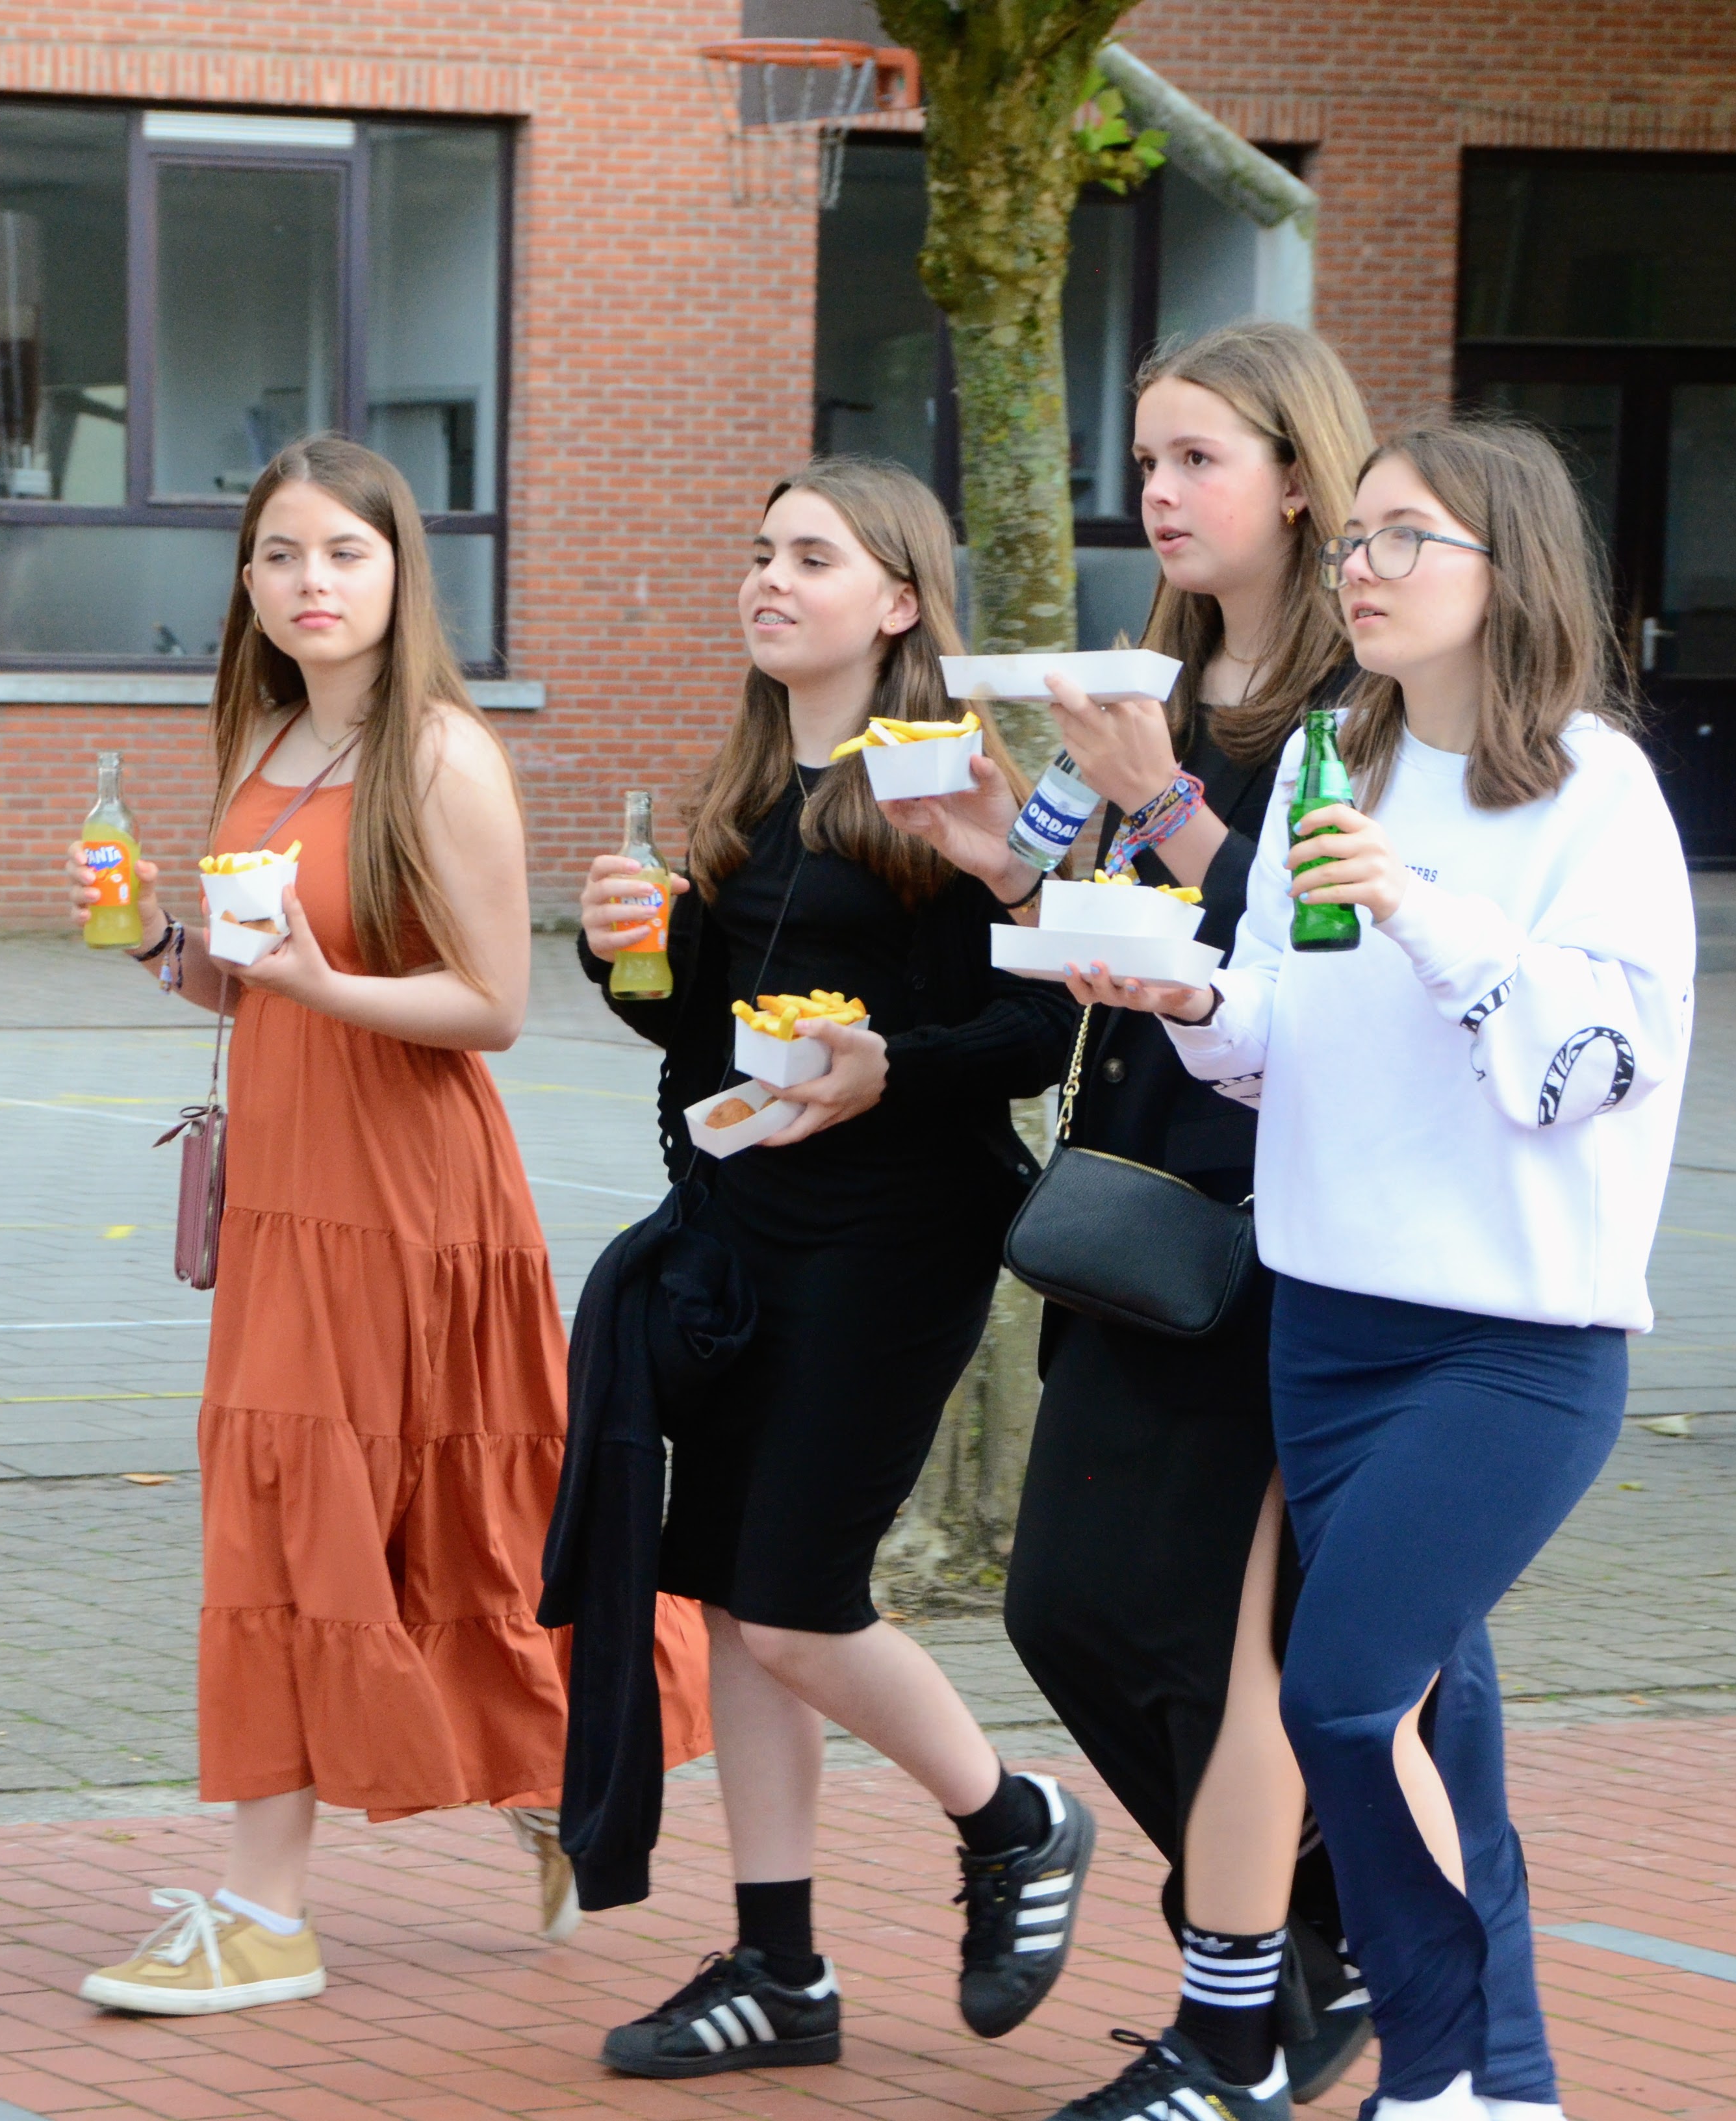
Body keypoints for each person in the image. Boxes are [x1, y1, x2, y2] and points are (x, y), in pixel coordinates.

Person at [60, 435, 707, 2014]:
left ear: (400, 572)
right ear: (247, 582)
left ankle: (266, 1913)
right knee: (340, 1510)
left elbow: (492, 1007)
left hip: (407, 1194)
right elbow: (245, 981)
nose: (312, 583)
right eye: (282, 555)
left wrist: (316, 984)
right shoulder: (267, 742)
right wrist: (151, 936)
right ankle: (553, 1783)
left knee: (376, 1510)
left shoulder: (442, 755)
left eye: (344, 553)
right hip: (289, 1194)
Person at [1125, 415, 1697, 2120]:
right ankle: (1503, 2088)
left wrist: (1421, 904)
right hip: (1329, 1319)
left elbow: (1593, 1064)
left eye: (1400, 539)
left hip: (1512, 1343)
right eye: (1353, 540)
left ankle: (1432, 2076)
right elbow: (1283, 1036)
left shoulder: (1597, 787)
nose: (1358, 571)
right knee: (1437, 1722)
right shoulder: (1331, 759)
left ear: (1507, 572)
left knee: (1345, 1697)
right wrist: (1185, 996)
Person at [876, 320, 1379, 2121]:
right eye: (1146, 460)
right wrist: (1001, 857)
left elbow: (1313, 950)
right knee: (1065, 1608)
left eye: (1197, 459)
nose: (1158, 493)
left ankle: (1269, 1978)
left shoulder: (1353, 710)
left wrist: (1162, 798)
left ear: (1300, 480)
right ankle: (1324, 1933)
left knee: (1217, 1641)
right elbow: (1097, 923)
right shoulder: (1145, 675)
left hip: (1277, 1220)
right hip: (1127, 1193)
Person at [571, 457, 1087, 2079]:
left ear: (900, 600)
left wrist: (888, 1070)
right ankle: (779, 1967)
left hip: (896, 1243)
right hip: (744, 1235)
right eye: (760, 552)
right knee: (735, 1602)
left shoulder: (941, 787)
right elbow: (704, 1036)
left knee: (795, 1605)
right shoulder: (745, 791)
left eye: (813, 556)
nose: (770, 580)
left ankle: (1014, 1819)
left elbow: (1039, 1022)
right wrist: (625, 953)